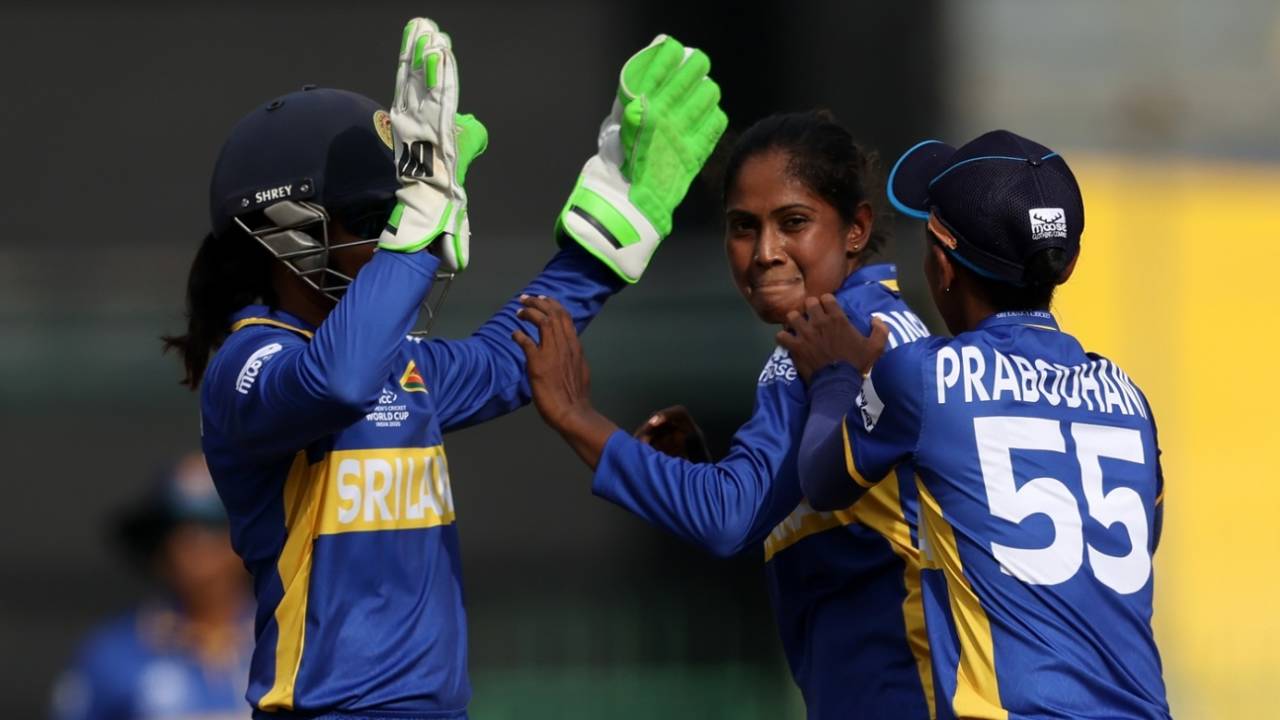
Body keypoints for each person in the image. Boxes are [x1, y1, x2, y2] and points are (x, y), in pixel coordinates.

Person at [162, 18, 726, 719]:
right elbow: (335, 382)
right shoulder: (248, 364)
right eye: (376, 213)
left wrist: (611, 228)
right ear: (288, 231)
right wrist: (421, 221)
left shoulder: (396, 365)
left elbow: (506, 359)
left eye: (400, 210)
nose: (396, 231)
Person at [512, 111, 935, 719]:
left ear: (855, 228)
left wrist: (575, 415)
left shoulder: (834, 340)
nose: (765, 253)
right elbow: (781, 503)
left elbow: (727, 515)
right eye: (743, 227)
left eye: (794, 222)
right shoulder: (883, 326)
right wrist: (696, 475)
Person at [781, 130, 1170, 718]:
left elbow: (823, 478)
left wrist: (836, 378)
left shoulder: (924, 376)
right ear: (1066, 266)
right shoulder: (1130, 399)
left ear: (942, 261)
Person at [51, 454, 254, 720]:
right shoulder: (111, 655)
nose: (194, 543)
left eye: (213, 523)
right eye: (178, 528)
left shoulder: (299, 643)